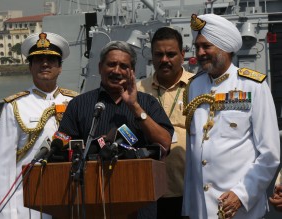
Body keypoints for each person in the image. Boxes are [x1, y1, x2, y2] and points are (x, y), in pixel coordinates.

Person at [58, 40, 174, 218]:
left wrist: (134, 106)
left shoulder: (147, 103)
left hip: (139, 205)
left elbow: (164, 143)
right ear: (100, 67)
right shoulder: (78, 105)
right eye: (111, 64)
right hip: (92, 204)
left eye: (123, 66)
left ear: (132, 72)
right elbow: (61, 150)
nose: (116, 71)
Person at [182, 14, 280, 219]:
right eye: (197, 47)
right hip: (202, 210)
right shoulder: (194, 86)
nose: (200, 53)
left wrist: (241, 195)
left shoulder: (253, 85)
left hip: (240, 208)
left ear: (225, 47)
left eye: (206, 46)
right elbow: (194, 152)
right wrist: (189, 208)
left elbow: (269, 154)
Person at [0, 32, 78, 219]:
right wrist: (7, 215)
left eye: (51, 59)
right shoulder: (15, 106)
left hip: (70, 200)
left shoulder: (75, 102)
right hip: (29, 206)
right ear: (30, 67)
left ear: (60, 68)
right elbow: (4, 166)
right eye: (39, 59)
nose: (45, 64)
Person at [137, 27, 194, 219]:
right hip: (148, 191)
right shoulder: (137, 91)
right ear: (151, 56)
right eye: (159, 54)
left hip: (190, 190)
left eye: (171, 54)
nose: (164, 60)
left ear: (183, 55)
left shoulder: (199, 86)